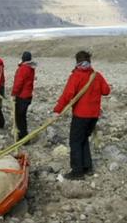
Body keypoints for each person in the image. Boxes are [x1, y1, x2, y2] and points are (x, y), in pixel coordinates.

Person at [53, 51, 110, 180]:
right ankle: (87, 167)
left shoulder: (76, 76)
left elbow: (67, 95)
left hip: (81, 115)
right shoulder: (96, 75)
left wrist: (58, 110)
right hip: (93, 116)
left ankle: (77, 171)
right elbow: (106, 91)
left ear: (77, 61)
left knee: (75, 141)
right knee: (84, 139)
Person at [11, 51, 36, 143]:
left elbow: (19, 83)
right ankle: (23, 136)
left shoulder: (23, 69)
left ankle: (23, 138)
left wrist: (14, 94)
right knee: (22, 117)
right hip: (28, 95)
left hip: (22, 96)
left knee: (20, 117)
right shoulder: (31, 68)